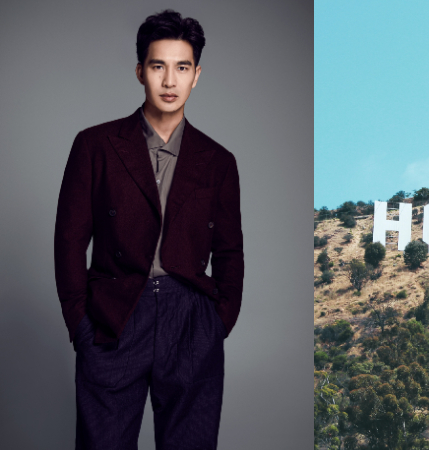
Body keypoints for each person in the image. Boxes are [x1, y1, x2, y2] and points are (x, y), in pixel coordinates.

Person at [54, 9, 244, 449]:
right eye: (158, 66)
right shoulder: (95, 145)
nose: (169, 81)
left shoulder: (218, 161)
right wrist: (80, 324)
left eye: (182, 67)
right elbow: (69, 240)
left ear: (197, 75)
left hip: (191, 320)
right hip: (114, 316)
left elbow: (230, 252)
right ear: (141, 71)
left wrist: (218, 322)